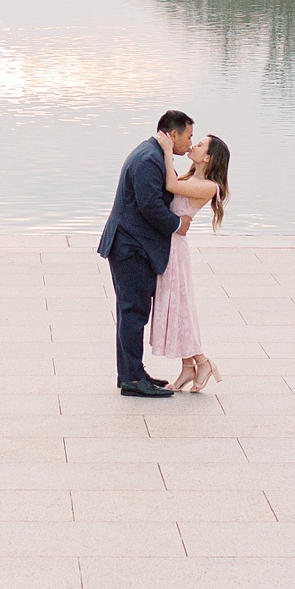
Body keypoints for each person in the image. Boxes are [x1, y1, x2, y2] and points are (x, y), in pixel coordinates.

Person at [97, 110, 194, 398]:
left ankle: (132, 372)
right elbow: (149, 205)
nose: (190, 143)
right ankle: (132, 379)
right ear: (173, 134)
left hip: (131, 245)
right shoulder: (149, 159)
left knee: (131, 312)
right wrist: (178, 223)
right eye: (188, 136)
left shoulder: (152, 154)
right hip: (130, 248)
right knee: (133, 312)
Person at [150, 133, 230, 392]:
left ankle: (203, 361)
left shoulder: (209, 186)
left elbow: (170, 186)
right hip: (169, 243)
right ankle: (188, 366)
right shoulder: (192, 177)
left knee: (181, 306)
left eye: (200, 145)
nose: (193, 145)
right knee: (176, 306)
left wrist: (166, 148)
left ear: (208, 157)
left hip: (175, 249)